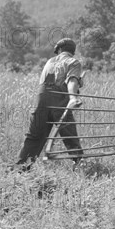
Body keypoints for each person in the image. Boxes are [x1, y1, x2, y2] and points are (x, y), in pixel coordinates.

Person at [16, 38, 84, 167]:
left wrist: (76, 84)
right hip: (59, 100)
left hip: (41, 101)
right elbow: (71, 81)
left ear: (58, 49)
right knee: (69, 134)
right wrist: (73, 97)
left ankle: (21, 167)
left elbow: (56, 79)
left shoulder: (49, 62)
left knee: (34, 137)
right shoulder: (73, 62)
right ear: (72, 51)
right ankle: (80, 164)